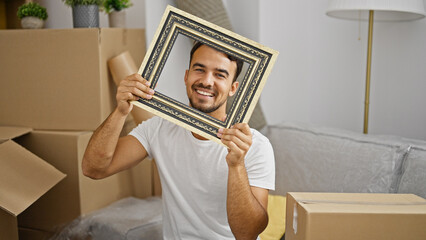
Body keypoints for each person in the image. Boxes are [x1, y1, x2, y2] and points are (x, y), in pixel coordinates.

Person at [82, 42, 275, 239]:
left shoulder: (255, 146)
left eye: (219, 74)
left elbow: (248, 233)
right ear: (186, 76)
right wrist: (121, 111)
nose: (207, 81)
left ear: (233, 88)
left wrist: (237, 165)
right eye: (199, 70)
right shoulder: (158, 128)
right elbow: (93, 168)